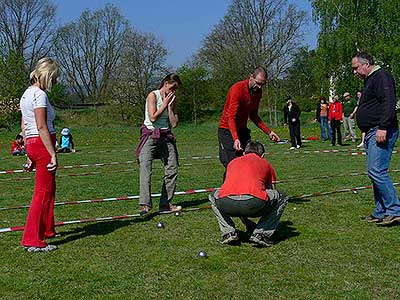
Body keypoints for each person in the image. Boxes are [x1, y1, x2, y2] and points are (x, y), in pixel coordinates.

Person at [209, 141, 288, 247]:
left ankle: (228, 232)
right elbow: (272, 190)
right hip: (253, 202)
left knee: (213, 195)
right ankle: (261, 233)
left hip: (226, 202)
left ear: (244, 153)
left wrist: (245, 220)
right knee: (282, 197)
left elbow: (233, 191)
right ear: (263, 155)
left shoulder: (232, 162)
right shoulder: (266, 164)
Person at [352, 52, 400, 225]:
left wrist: (383, 126)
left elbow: (389, 101)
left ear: (367, 64)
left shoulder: (382, 76)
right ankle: (380, 211)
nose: (354, 72)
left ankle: (395, 210)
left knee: (376, 171)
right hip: (373, 131)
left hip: (381, 130)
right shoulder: (371, 79)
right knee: (375, 173)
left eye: (356, 68)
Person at [20, 57, 59, 253]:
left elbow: (24, 126)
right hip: (43, 145)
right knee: (42, 193)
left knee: (49, 189)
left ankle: (48, 229)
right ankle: (32, 239)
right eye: (54, 78)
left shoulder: (26, 94)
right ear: (47, 75)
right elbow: (41, 126)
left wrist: (29, 153)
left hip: (33, 144)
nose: (56, 82)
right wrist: (52, 153)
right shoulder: (40, 95)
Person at [218, 67, 279, 178]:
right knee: (232, 164)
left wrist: (269, 132)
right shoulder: (237, 89)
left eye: (262, 84)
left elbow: (254, 115)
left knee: (249, 160)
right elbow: (231, 117)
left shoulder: (258, 92)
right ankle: (227, 192)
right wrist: (236, 138)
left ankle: (247, 191)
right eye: (257, 83)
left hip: (242, 130)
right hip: (227, 130)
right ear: (251, 77)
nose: (259, 87)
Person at [136, 73, 182, 214]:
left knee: (172, 168)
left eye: (176, 89)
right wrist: (165, 104)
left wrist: (169, 108)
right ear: (166, 83)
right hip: (150, 134)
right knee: (145, 168)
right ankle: (145, 204)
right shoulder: (153, 96)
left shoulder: (172, 99)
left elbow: (174, 124)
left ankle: (165, 203)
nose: (174, 91)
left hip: (165, 135)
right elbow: (153, 117)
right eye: (173, 87)